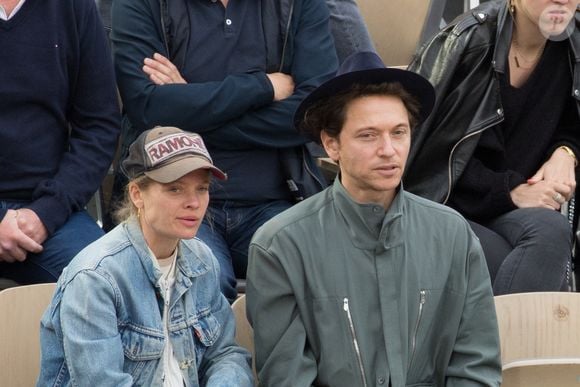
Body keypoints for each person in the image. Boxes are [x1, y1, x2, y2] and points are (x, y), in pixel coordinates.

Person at [246, 52, 502, 387]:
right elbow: (287, 377)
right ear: (331, 143)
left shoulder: (453, 235)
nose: (388, 149)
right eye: (368, 135)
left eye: (399, 132)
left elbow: (476, 367)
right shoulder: (280, 246)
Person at [110, 0, 338, 302]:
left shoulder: (299, 5)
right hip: (174, 200)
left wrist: (188, 105)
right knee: (202, 280)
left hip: (277, 200)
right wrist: (262, 87)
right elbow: (148, 107)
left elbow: (314, 114)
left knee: (316, 275)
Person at [37, 126, 253, 387]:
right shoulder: (95, 277)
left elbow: (226, 355)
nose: (194, 202)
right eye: (175, 189)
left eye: (202, 188)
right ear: (137, 194)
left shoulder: (202, 260)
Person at [404, 0, 579, 294]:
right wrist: (510, 190)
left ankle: (509, 339)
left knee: (550, 233)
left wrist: (566, 152)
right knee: (525, 260)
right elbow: (426, 159)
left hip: (513, 211)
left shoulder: (573, 44)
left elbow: (571, 124)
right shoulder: (468, 41)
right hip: (445, 208)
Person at [0, 0, 120, 285]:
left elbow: (99, 126)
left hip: (47, 207)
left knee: (111, 280)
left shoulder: (73, 8)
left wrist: (46, 213)